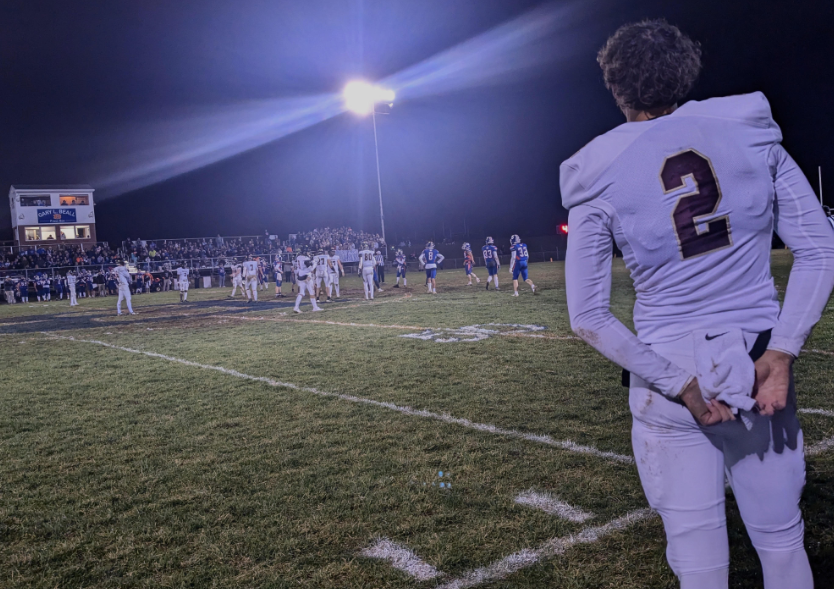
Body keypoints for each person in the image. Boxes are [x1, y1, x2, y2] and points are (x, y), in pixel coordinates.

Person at [561, 19, 834, 589]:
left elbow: (587, 316)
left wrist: (679, 382)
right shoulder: (750, 128)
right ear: (686, 74)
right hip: (758, 370)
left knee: (698, 566)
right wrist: (781, 354)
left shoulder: (597, 168)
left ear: (615, 87)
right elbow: (819, 250)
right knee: (782, 544)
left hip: (670, 379)